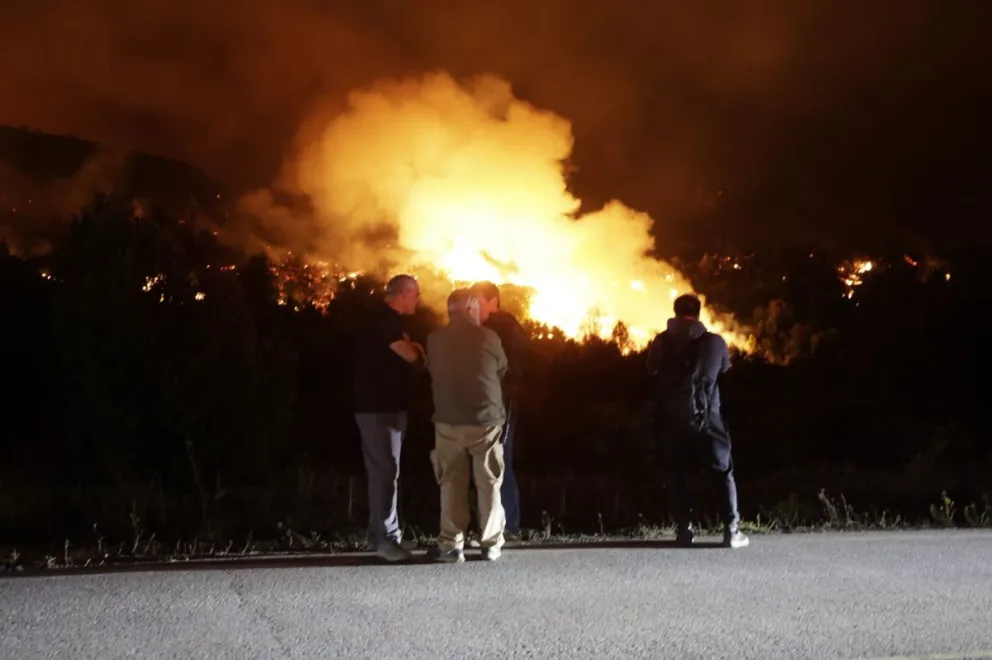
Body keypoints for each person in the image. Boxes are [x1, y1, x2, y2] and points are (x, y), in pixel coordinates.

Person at [646, 294, 749, 549]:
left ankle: (685, 530)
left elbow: (650, 369)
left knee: (677, 473)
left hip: (673, 420)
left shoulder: (661, 341)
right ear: (698, 313)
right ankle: (731, 530)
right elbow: (724, 369)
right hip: (708, 416)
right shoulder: (714, 342)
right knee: (722, 471)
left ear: (675, 312)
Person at [425, 289, 508, 563]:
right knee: (489, 482)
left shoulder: (434, 339)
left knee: (450, 482)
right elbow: (501, 369)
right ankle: (491, 544)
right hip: (485, 421)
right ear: (472, 309)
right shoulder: (488, 337)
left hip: (448, 421)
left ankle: (451, 545)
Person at [352, 274, 426, 562]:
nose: (418, 300)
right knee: (385, 472)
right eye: (416, 294)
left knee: (384, 471)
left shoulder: (387, 321)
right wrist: (418, 352)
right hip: (379, 410)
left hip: (385, 409)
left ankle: (380, 535)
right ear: (404, 292)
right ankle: (386, 540)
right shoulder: (384, 320)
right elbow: (412, 356)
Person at [470, 281, 530, 539]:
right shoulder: (504, 326)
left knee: (497, 460)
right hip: (500, 399)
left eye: (479, 302)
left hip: (501, 401)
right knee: (494, 460)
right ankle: (502, 525)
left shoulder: (499, 326)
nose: (474, 307)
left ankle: (507, 526)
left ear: (493, 301)